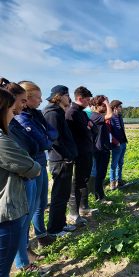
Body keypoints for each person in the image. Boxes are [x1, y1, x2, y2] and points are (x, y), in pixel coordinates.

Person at [0, 87, 41, 277]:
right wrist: (32, 165)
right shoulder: (2, 139)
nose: (14, 112)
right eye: (10, 108)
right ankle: (23, 262)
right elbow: (30, 166)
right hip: (6, 210)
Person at [16, 81, 58, 247]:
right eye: (38, 97)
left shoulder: (37, 115)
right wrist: (46, 139)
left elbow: (53, 133)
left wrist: (46, 138)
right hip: (32, 166)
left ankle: (41, 234)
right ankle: (25, 247)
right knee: (30, 207)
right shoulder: (22, 119)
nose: (41, 101)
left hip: (41, 162)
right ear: (27, 98)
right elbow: (45, 143)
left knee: (41, 203)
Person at [43, 85, 78, 236]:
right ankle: (54, 229)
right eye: (67, 95)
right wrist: (67, 155)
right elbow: (55, 140)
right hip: (60, 160)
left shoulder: (58, 112)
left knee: (63, 194)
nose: (68, 98)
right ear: (60, 96)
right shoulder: (52, 113)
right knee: (58, 195)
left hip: (64, 159)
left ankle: (61, 224)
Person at [65, 86, 94, 225]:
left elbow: (91, 127)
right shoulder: (72, 113)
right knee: (77, 183)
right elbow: (85, 130)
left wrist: (89, 127)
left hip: (86, 151)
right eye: (87, 100)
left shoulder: (81, 112)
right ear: (80, 98)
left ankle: (82, 208)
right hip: (79, 153)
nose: (89, 102)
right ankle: (73, 213)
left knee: (83, 181)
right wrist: (88, 127)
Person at [90, 95, 113, 200]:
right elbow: (110, 115)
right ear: (97, 106)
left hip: (103, 148)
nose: (105, 108)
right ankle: (99, 196)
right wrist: (107, 103)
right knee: (100, 174)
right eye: (103, 106)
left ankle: (100, 195)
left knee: (101, 174)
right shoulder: (95, 115)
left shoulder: (97, 116)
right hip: (99, 150)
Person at [108, 100, 128, 190]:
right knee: (114, 164)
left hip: (123, 143)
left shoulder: (120, 117)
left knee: (121, 163)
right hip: (116, 145)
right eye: (120, 107)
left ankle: (119, 180)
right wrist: (116, 142)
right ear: (115, 107)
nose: (121, 108)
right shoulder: (110, 117)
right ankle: (112, 182)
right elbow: (109, 133)